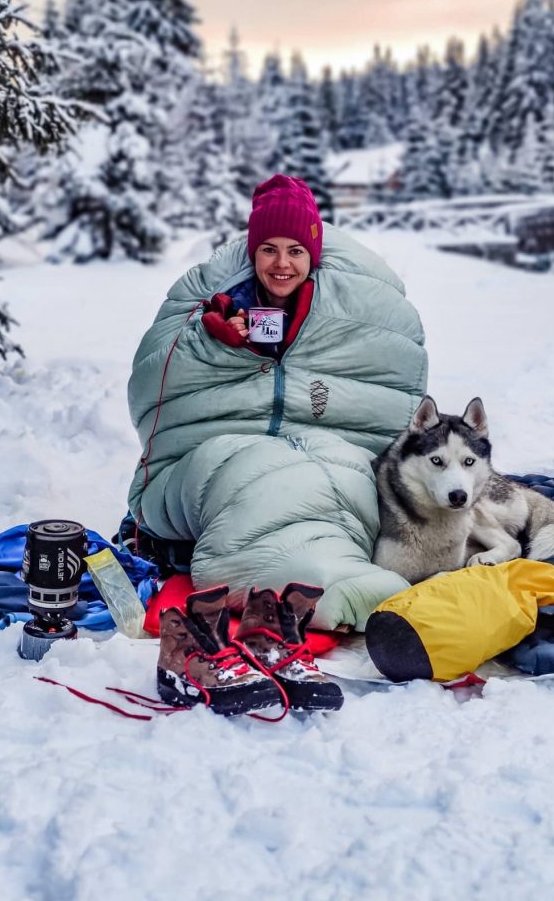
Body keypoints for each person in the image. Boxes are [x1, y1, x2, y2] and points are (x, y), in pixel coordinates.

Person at [127, 174, 427, 709]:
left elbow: (391, 401)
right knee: (251, 470)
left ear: (314, 254)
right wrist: (214, 344)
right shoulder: (210, 303)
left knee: (336, 467)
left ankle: (320, 579)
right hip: (208, 456)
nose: (281, 264)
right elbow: (153, 388)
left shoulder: (355, 307)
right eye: (267, 249)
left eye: (294, 250)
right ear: (251, 251)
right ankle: (325, 585)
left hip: (328, 453)